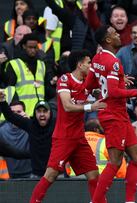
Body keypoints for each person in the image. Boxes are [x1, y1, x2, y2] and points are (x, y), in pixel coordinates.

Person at [29, 50, 107, 203]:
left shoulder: (88, 81)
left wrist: (120, 81)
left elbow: (105, 84)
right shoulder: (65, 79)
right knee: (50, 175)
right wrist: (90, 107)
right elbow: (67, 106)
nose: (91, 66)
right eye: (89, 62)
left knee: (94, 175)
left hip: (79, 138)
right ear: (80, 65)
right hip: (64, 137)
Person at [85, 25, 137, 203]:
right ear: (108, 40)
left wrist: (103, 89)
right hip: (113, 116)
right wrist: (135, 93)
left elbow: (89, 84)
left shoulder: (97, 58)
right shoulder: (113, 62)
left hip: (119, 115)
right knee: (115, 161)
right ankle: (95, 201)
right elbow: (114, 92)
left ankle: (130, 201)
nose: (118, 35)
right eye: (114, 33)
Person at [0, 99, 55, 178]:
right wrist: (2, 101)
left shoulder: (56, 126)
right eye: (39, 111)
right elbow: (10, 116)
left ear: (50, 113)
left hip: (55, 173)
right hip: (36, 175)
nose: (42, 114)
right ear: (35, 113)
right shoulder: (31, 125)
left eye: (45, 111)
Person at [4, 33, 55, 117]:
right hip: (23, 113)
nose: (33, 50)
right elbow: (9, 90)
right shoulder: (14, 64)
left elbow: (46, 88)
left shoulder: (42, 64)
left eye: (35, 47)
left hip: (39, 113)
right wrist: (18, 110)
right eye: (30, 47)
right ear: (24, 46)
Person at [0, 101, 31, 179]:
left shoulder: (31, 127)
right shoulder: (2, 130)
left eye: (19, 112)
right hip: (8, 176)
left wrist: (29, 122)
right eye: (12, 112)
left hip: (31, 174)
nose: (15, 114)